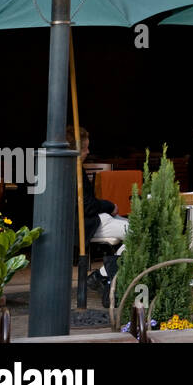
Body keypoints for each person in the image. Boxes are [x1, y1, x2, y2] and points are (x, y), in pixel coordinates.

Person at [73, 127, 129, 304]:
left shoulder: (71, 167)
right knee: (141, 232)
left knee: (138, 229)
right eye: (85, 148)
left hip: (91, 219)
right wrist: (109, 205)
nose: (88, 152)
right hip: (88, 222)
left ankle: (103, 274)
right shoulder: (73, 170)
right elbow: (86, 206)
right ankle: (108, 278)